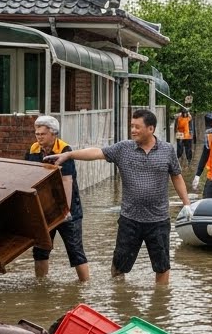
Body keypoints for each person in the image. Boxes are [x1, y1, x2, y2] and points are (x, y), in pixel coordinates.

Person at [44, 109, 190, 286]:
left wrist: (186, 204)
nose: (133, 130)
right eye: (131, 126)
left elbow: (177, 176)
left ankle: (160, 302)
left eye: (137, 127)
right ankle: (119, 298)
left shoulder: (167, 150)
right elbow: (96, 153)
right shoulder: (123, 148)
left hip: (158, 220)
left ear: (151, 129)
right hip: (130, 220)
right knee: (119, 265)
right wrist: (69, 154)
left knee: (162, 266)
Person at [25, 115, 89, 282]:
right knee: (40, 249)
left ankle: (85, 285)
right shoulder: (33, 150)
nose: (38, 137)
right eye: (37, 133)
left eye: (42, 134)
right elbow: (26, 176)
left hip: (68, 209)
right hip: (44, 208)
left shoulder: (64, 150)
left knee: (75, 250)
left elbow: (67, 181)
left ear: (53, 134)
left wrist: (66, 210)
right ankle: (41, 284)